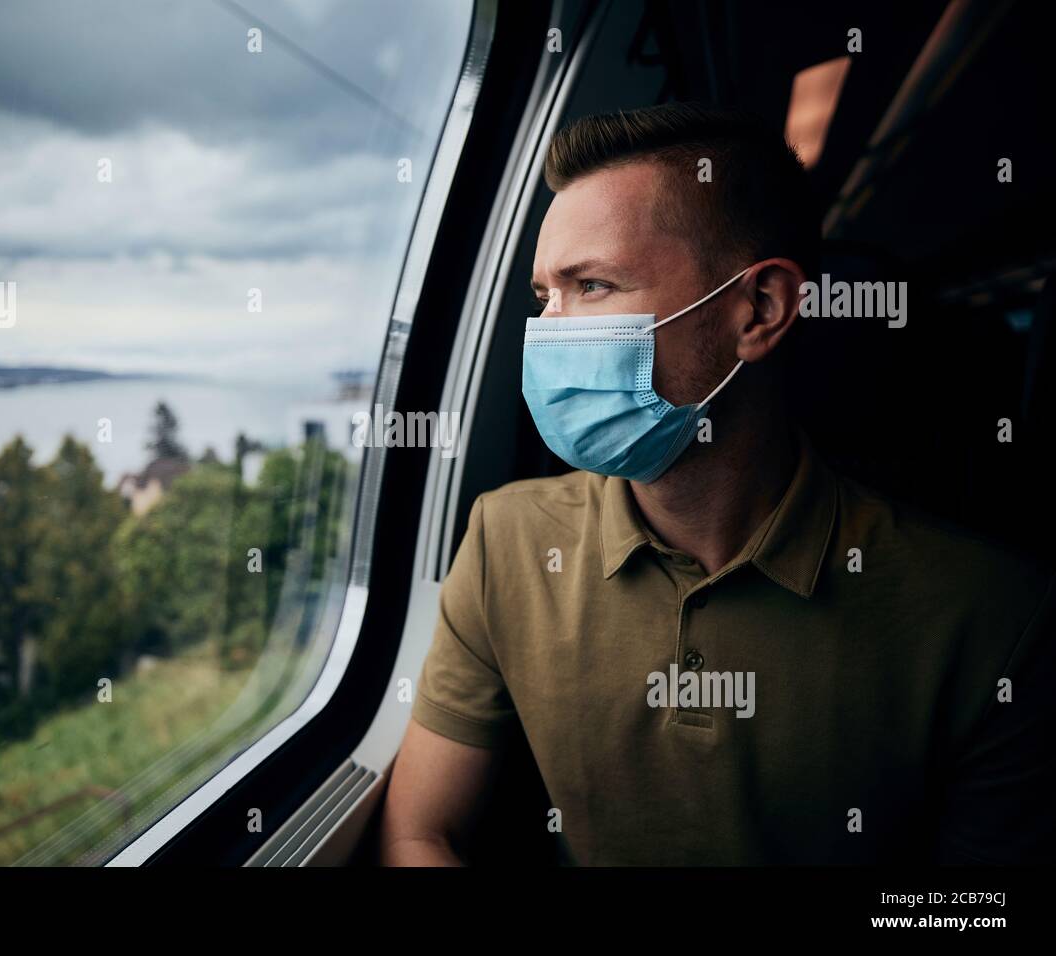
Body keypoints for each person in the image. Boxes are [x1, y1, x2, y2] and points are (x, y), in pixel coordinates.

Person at [379, 103, 1055, 866]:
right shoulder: (507, 539)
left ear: (760, 310)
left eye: (593, 285)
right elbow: (419, 833)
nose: (550, 332)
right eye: (545, 297)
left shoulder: (989, 616)